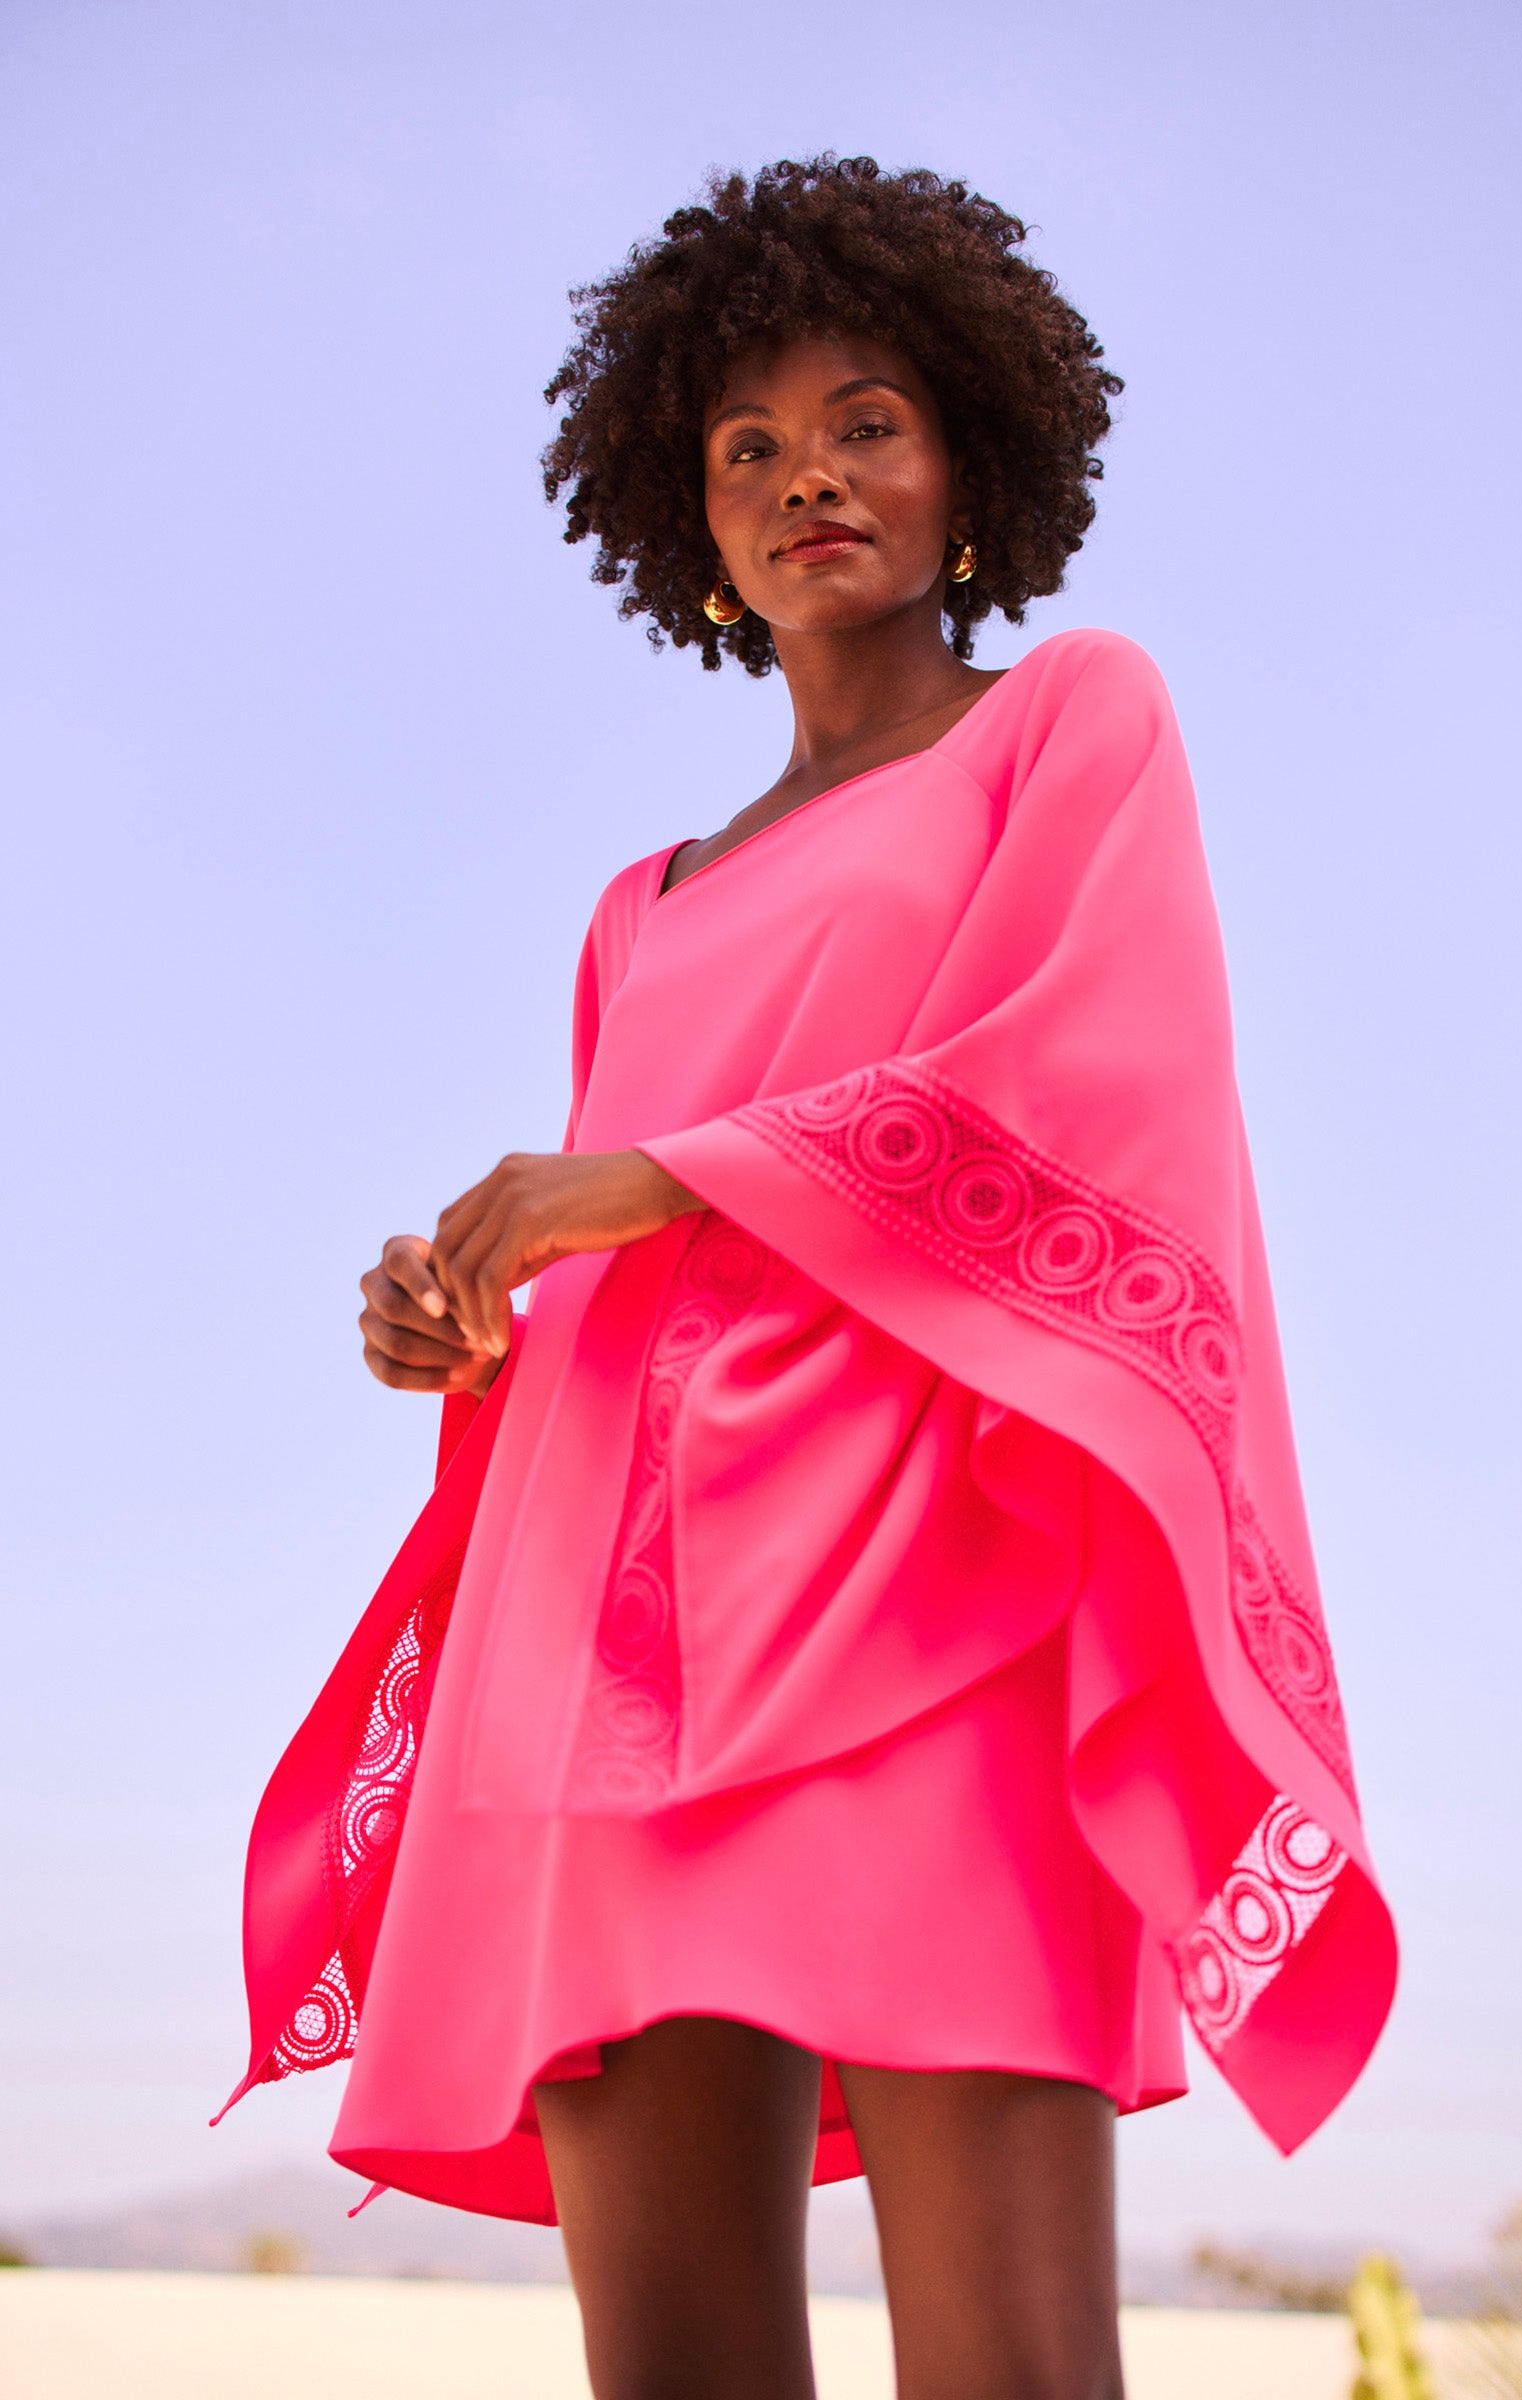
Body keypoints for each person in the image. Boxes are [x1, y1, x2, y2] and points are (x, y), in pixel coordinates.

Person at [224, 158, 1396, 2400]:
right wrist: (466, 1308)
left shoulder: (1067, 725)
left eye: (863, 421)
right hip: (604, 1651)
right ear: (693, 526)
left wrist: (628, 1181)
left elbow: (1080, 1087)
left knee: (1016, 2367)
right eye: (746, 448)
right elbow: (614, 1260)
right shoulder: (638, 901)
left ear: (969, 463)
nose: (804, 480)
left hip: (936, 1606)